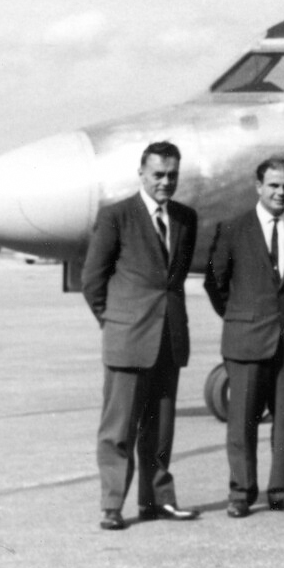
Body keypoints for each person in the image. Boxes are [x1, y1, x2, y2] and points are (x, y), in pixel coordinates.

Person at [82, 141, 199, 529]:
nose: (166, 182)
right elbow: (92, 280)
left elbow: (175, 280)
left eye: (172, 176)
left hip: (168, 338)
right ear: (142, 174)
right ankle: (112, 505)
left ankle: (158, 501)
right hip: (128, 339)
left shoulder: (185, 218)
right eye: (158, 175)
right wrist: (114, 321)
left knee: (160, 429)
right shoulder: (117, 216)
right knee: (118, 430)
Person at [203, 156, 284, 518]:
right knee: (241, 422)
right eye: (273, 185)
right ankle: (241, 493)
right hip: (246, 338)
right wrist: (241, 315)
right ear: (258, 187)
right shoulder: (232, 229)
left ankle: (281, 490)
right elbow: (215, 281)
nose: (280, 193)